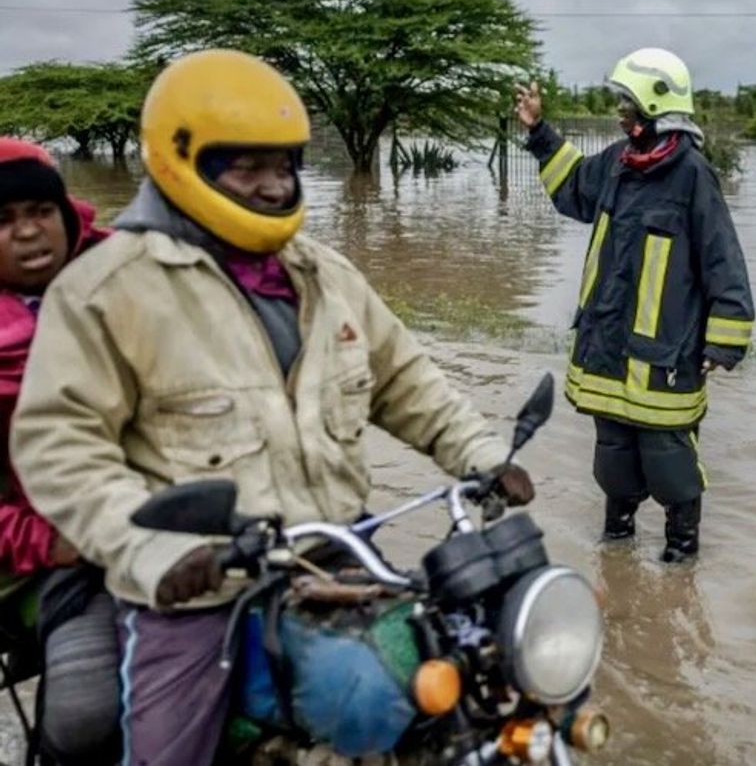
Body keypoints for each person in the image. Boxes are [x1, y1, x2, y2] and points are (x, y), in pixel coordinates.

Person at [11, 50, 534, 766]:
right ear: (180, 161)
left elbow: (406, 380)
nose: (271, 185)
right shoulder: (107, 291)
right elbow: (59, 450)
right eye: (245, 166)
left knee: (449, 699)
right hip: (195, 596)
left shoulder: (327, 274)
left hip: (337, 556)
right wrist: (154, 551)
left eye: (283, 165)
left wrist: (483, 454)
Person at [514, 47, 754, 563]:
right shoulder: (617, 164)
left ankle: (680, 558)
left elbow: (723, 260)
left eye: (626, 104)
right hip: (606, 347)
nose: (619, 113)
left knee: (670, 462)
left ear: (654, 105)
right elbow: (572, 187)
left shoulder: (692, 174)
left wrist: (724, 338)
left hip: (664, 355)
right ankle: (616, 552)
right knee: (614, 459)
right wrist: (538, 133)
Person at [0, 137, 121, 763]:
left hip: (170, 513)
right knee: (85, 715)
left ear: (66, 214)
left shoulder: (131, 275)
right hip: (47, 548)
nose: (26, 233)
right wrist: (49, 540)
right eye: (2, 220)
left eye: (39, 212)